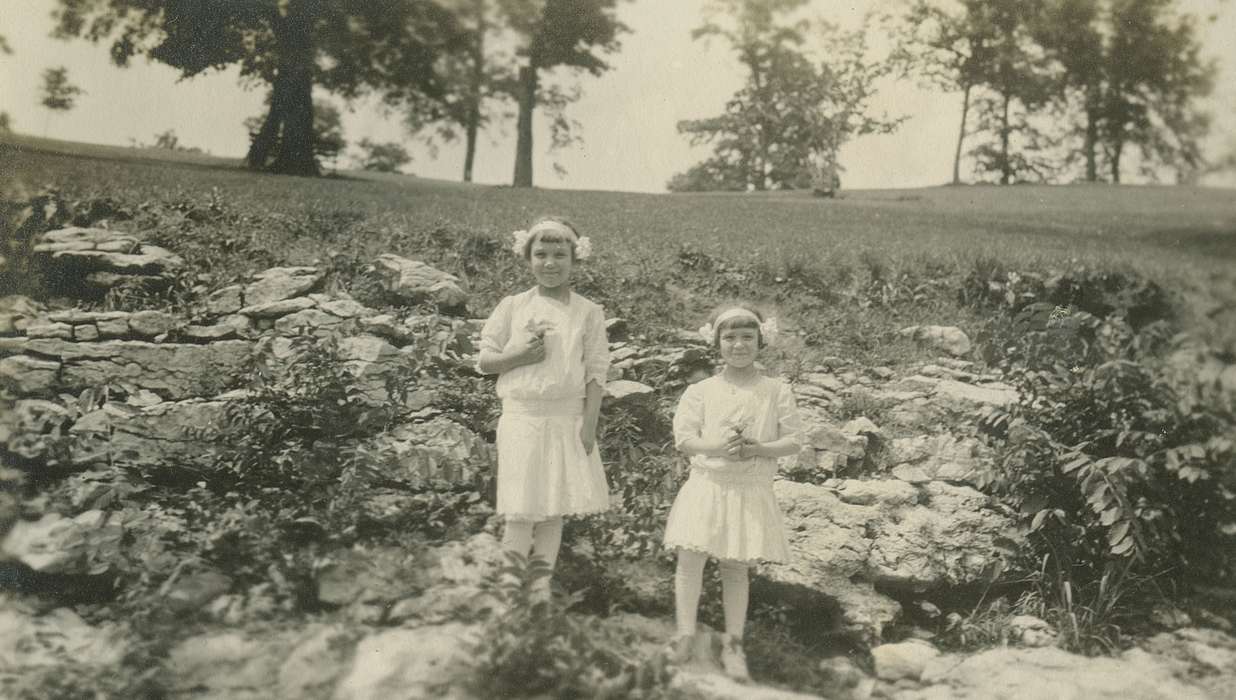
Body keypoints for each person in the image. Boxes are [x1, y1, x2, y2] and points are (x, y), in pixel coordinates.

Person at [662, 304, 803, 680]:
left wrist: (758, 448)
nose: (738, 345)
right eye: (729, 338)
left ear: (761, 341)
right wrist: (716, 448)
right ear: (716, 343)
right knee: (690, 558)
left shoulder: (775, 390)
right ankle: (685, 634)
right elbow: (684, 439)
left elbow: (793, 441)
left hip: (748, 488)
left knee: (736, 567)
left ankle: (733, 644)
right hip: (708, 484)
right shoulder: (701, 390)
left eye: (746, 337)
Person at [476, 216, 611, 594]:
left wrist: (589, 426)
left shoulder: (588, 312)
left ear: (574, 259)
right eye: (541, 254)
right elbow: (485, 360)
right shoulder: (513, 306)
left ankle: (538, 594)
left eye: (559, 255)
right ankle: (507, 593)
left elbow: (597, 372)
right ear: (527, 258)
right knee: (520, 511)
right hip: (522, 417)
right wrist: (515, 356)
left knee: (553, 510)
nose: (549, 263)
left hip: (566, 417)